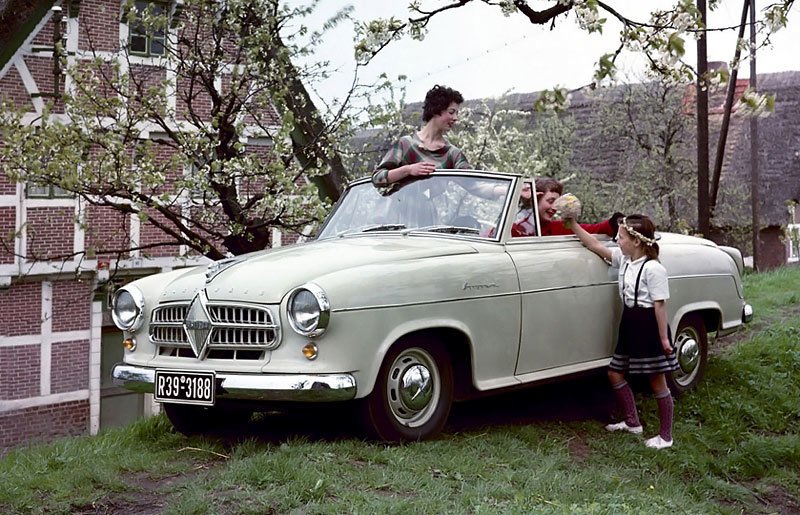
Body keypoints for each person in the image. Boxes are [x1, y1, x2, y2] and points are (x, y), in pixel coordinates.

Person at [566, 213, 679, 450]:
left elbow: (660, 305)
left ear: (636, 241)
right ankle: (632, 422)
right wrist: (572, 225)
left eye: (621, 237)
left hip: (648, 326)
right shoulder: (623, 259)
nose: (616, 240)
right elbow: (595, 245)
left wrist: (663, 339)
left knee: (657, 382)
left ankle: (666, 436)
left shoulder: (654, 269)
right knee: (615, 373)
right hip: (629, 322)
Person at [372, 85, 470, 188]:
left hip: (430, 204)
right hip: (402, 203)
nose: (455, 118)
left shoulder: (452, 154)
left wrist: (489, 189)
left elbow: (473, 184)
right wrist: (408, 170)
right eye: (451, 112)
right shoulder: (405, 144)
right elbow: (377, 178)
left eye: (457, 113)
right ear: (436, 110)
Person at [511, 177, 620, 237]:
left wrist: (619, 222)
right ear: (536, 199)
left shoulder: (558, 228)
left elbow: (596, 229)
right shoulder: (517, 228)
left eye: (557, 202)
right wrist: (518, 192)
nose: (554, 207)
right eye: (550, 201)